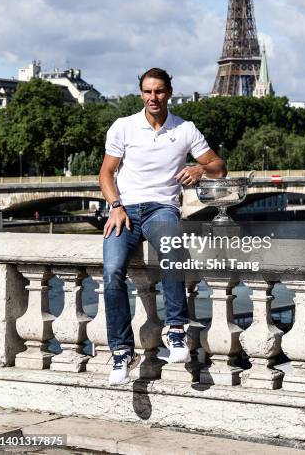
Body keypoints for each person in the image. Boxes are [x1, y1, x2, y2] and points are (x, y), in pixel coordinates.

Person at [99, 68, 227, 385]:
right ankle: (121, 352)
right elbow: (106, 174)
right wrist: (115, 206)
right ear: (141, 93)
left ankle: (175, 330)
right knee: (112, 270)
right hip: (125, 209)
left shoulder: (185, 129)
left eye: (158, 91)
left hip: (161, 208)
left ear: (169, 92)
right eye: (147, 91)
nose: (152, 97)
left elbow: (220, 169)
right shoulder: (124, 127)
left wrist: (199, 169)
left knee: (173, 252)